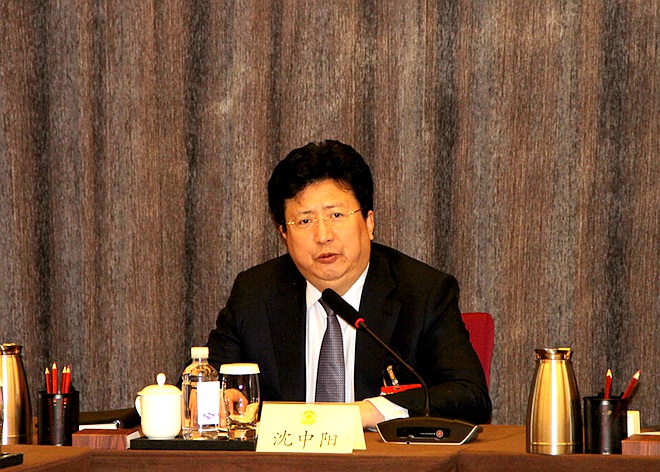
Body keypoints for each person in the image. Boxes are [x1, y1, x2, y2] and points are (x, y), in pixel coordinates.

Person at [206, 140, 492, 428]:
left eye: (336, 215)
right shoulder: (255, 294)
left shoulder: (423, 293)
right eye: (304, 221)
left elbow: (470, 397)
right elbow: (204, 381)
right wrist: (214, 399)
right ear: (284, 234)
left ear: (369, 222)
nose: (323, 236)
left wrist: (372, 411)